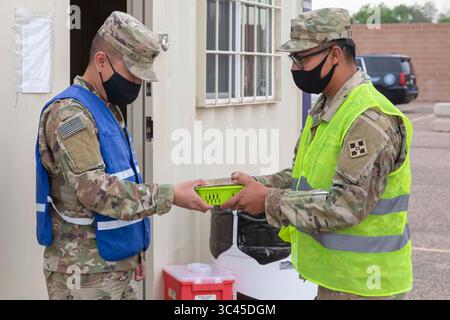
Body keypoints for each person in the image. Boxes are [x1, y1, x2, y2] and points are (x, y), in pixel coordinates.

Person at [221, 8, 413, 300]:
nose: (295, 68)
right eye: (292, 59)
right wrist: (257, 184)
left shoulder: (368, 118)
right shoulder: (327, 107)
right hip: (338, 281)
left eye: (302, 58)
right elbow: (305, 177)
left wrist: (267, 200)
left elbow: (347, 204)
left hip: (365, 286)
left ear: (334, 54)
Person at [36, 11, 212, 300]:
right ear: (101, 61)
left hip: (115, 265)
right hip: (83, 275)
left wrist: (134, 251)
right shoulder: (70, 115)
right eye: (132, 74)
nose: (136, 84)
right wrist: (172, 195)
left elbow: (123, 176)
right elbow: (96, 191)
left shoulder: (107, 109)